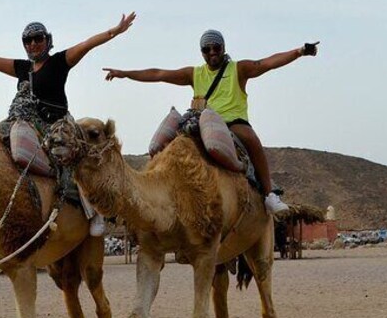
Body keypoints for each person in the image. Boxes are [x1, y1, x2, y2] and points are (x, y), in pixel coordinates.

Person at [0, 12, 136, 236]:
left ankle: (94, 211)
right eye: (28, 40)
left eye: (38, 38)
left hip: (55, 123)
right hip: (21, 120)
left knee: (70, 156)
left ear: (47, 40)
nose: (33, 44)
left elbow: (87, 44)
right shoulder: (22, 68)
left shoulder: (59, 62)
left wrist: (114, 31)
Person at [103, 29, 319, 214]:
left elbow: (268, 63)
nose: (212, 52)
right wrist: (125, 74)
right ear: (202, 53)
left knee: (251, 140)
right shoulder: (194, 74)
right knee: (162, 149)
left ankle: (269, 194)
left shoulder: (239, 69)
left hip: (232, 122)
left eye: (216, 47)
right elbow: (159, 73)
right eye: (207, 49)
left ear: (223, 47)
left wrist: (299, 51)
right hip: (199, 122)